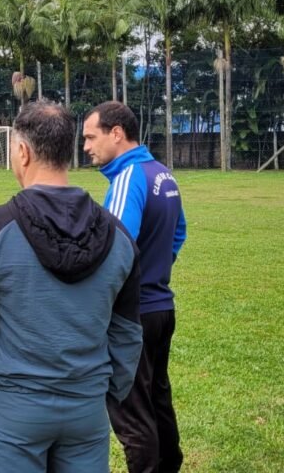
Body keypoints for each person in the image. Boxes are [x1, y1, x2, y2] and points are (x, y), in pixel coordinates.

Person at [0, 101, 142, 473]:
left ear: (23, 152)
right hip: (86, 412)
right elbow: (128, 333)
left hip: (6, 412)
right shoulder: (120, 237)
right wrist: (104, 393)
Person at [83, 101, 187, 473]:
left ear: (117, 133)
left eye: (91, 137)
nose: (85, 147)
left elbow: (115, 251)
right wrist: (156, 273)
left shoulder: (129, 178)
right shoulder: (162, 174)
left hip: (135, 316)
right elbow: (179, 233)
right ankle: (169, 464)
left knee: (132, 409)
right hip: (162, 308)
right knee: (157, 397)